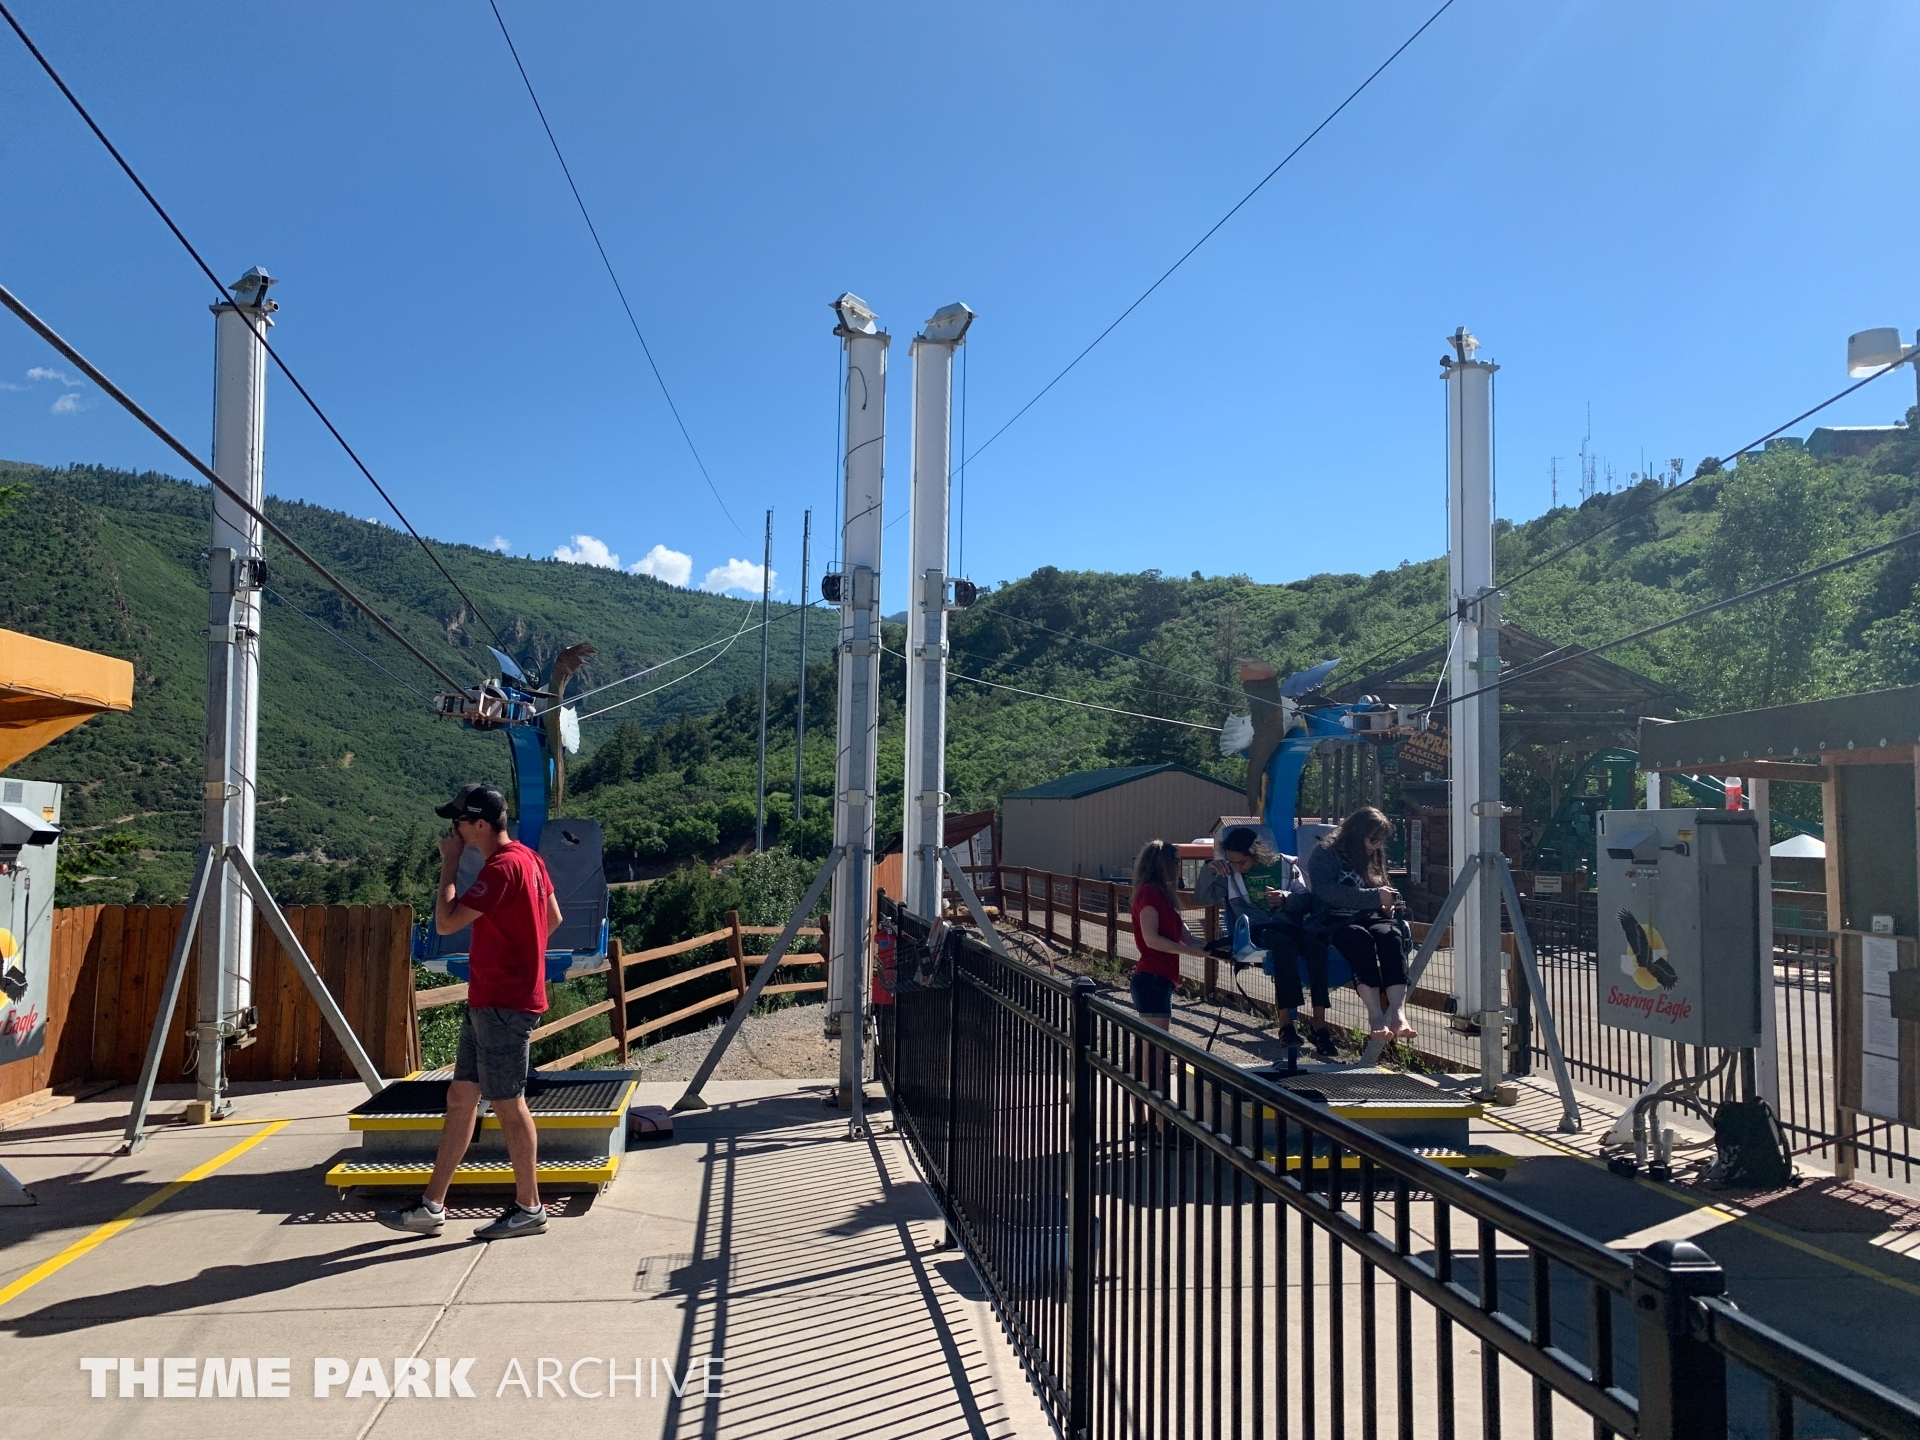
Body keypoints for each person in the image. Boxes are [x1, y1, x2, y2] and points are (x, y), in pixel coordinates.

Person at [381, 784, 563, 1241]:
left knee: (508, 1102)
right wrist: (522, 947)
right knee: (461, 1099)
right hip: (491, 997)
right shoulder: (530, 859)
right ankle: (431, 1206)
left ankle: (529, 1208)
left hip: (504, 1001)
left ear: (480, 824)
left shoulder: (500, 869)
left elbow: (445, 922)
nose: (454, 830)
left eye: (458, 822)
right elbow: (554, 918)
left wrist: (449, 864)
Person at [1192, 827, 1335, 1054]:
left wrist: (1285, 899)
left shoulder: (1285, 866)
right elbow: (1201, 898)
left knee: (1316, 948)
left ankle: (1319, 1025)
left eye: (1241, 862)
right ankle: (1286, 1023)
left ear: (1255, 854)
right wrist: (1209, 870)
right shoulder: (1229, 874)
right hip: (1259, 929)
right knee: (1283, 947)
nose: (1237, 867)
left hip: (1288, 924)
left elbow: (1305, 901)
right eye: (1232, 862)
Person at [1304, 806, 1415, 1041]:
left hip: (1370, 914)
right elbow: (1326, 892)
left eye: (1380, 841)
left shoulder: (1372, 852)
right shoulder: (1325, 853)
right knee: (1359, 941)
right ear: (1356, 832)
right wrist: (1375, 897)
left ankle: (1397, 1012)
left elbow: (1379, 883)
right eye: (1373, 839)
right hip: (1334, 919)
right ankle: (1375, 1015)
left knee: (1391, 937)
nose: (1376, 846)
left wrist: (1387, 902)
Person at [1128, 839, 1213, 1131]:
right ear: (1163, 863)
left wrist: (1220, 952)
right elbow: (1152, 939)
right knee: (1156, 1056)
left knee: (1146, 1054)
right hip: (1151, 978)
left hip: (1158, 980)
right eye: (1176, 861)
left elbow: (1188, 939)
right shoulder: (1150, 894)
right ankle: (1162, 1124)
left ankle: (1144, 1121)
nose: (1179, 866)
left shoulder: (1166, 896)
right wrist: (1193, 952)